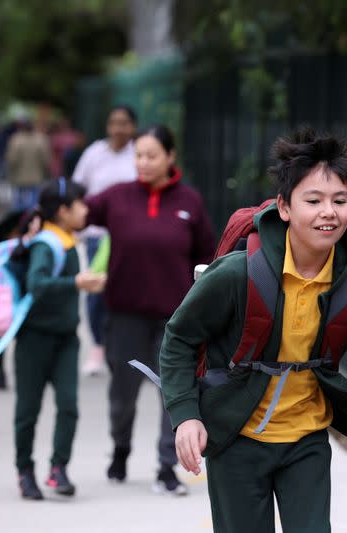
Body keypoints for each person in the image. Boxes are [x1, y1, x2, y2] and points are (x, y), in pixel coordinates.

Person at [159, 128, 347, 532]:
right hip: (235, 439)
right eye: (313, 200)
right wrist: (185, 416)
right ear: (284, 207)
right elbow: (179, 338)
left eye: (340, 200)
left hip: (307, 442)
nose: (328, 212)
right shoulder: (237, 274)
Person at [84, 124, 216, 495]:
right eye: (138, 155)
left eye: (151, 155)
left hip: (175, 321)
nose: (143, 162)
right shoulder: (116, 197)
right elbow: (77, 214)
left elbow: (207, 255)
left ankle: (166, 466)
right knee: (122, 396)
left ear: (170, 157)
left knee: (174, 394)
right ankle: (121, 448)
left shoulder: (189, 202)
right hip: (124, 315)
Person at [12, 178, 106, 500]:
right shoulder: (46, 243)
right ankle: (24, 471)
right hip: (34, 341)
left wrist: (83, 283)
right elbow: (36, 284)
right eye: (80, 204)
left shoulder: (69, 240)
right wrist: (76, 282)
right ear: (63, 211)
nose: (86, 209)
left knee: (68, 406)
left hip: (66, 339)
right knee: (28, 410)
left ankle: (58, 468)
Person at [71, 105, 138, 375]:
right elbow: (78, 188)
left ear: (133, 127)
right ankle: (98, 345)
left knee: (130, 291)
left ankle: (129, 351)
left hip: (132, 237)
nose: (118, 129)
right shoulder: (94, 154)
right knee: (97, 291)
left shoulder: (139, 154)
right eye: (113, 122)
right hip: (98, 237)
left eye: (124, 123)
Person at [5, 119, 50, 211]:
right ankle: (30, 219)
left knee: (18, 202)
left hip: (19, 176)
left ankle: (17, 220)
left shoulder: (16, 139)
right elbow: (46, 159)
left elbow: (11, 159)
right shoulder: (41, 139)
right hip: (36, 176)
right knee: (34, 203)